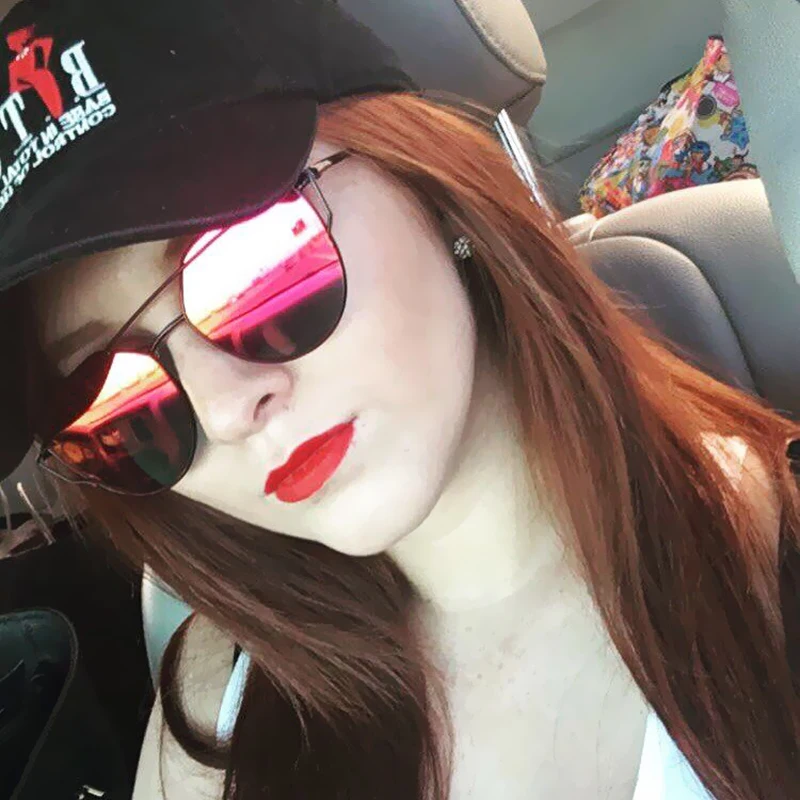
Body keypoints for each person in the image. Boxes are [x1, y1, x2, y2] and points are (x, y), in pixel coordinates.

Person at [0, 1, 799, 799]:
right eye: (109, 402)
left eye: (252, 265)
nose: (224, 412)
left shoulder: (772, 568)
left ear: (427, 181)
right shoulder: (214, 713)